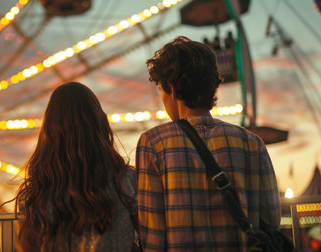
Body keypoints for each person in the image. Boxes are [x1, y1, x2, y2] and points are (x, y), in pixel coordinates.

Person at [136, 36, 281, 251]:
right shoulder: (252, 143)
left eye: (162, 92)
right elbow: (271, 221)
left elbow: (153, 239)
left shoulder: (153, 143)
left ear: (173, 89)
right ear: (212, 87)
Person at [14, 82, 137, 251]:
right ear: (99, 124)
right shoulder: (126, 181)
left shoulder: (34, 194)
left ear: (49, 131)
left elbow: (29, 247)